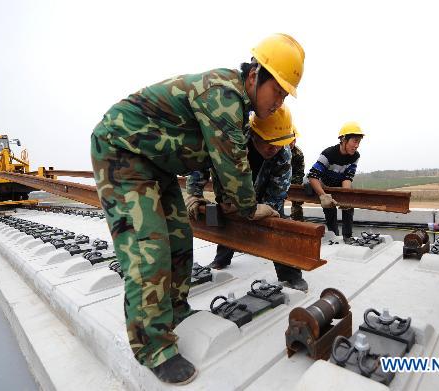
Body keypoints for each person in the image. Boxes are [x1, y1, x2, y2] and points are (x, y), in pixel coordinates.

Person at [90, 34, 305, 385]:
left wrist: (239, 204)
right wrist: (252, 209)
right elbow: (235, 170)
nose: (279, 102)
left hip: (154, 163)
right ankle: (152, 347)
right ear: (254, 77)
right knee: (149, 249)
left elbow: (223, 173)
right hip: (122, 151)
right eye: (277, 91)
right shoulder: (224, 96)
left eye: (284, 95)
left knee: (178, 237)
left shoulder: (238, 108)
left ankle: (174, 311)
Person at [186, 105, 308, 292]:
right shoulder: (232, 140)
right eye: (268, 142)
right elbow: (205, 159)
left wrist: (265, 208)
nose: (273, 148)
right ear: (255, 133)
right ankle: (222, 259)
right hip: (230, 194)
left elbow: (278, 192)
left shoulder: (283, 154)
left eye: (279, 143)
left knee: (278, 224)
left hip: (264, 195)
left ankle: (290, 275)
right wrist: (194, 193)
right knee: (229, 220)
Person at [306, 122, 364, 243]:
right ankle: (334, 236)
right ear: (344, 139)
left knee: (349, 204)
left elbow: (347, 177)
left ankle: (347, 236)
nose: (357, 145)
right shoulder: (328, 154)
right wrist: (323, 195)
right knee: (329, 207)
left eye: (359, 142)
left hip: (339, 184)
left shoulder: (355, 156)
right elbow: (313, 176)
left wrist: (345, 195)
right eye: (354, 141)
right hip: (325, 184)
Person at [289, 133, 305, 221]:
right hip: (278, 178)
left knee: (298, 198)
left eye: (294, 140)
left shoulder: (298, 153)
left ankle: (297, 220)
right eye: (290, 140)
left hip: (293, 179)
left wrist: (293, 183)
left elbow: (300, 173)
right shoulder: (277, 149)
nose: (292, 143)